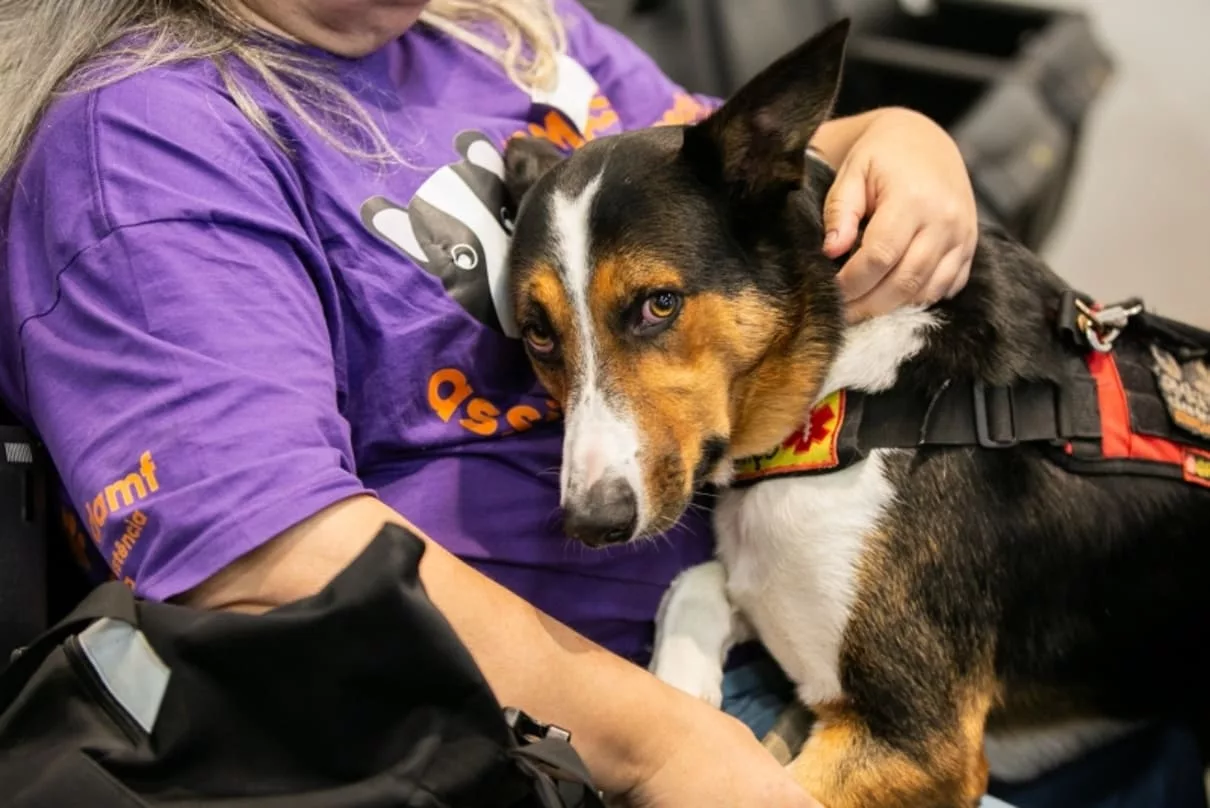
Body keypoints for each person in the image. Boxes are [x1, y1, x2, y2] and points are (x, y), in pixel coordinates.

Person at [0, 1, 979, 805]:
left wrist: (895, 139)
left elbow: (713, 174)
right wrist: (666, 749)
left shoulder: (501, 27)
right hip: (579, 729)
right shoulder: (148, 137)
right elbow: (269, 560)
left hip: (791, 593)